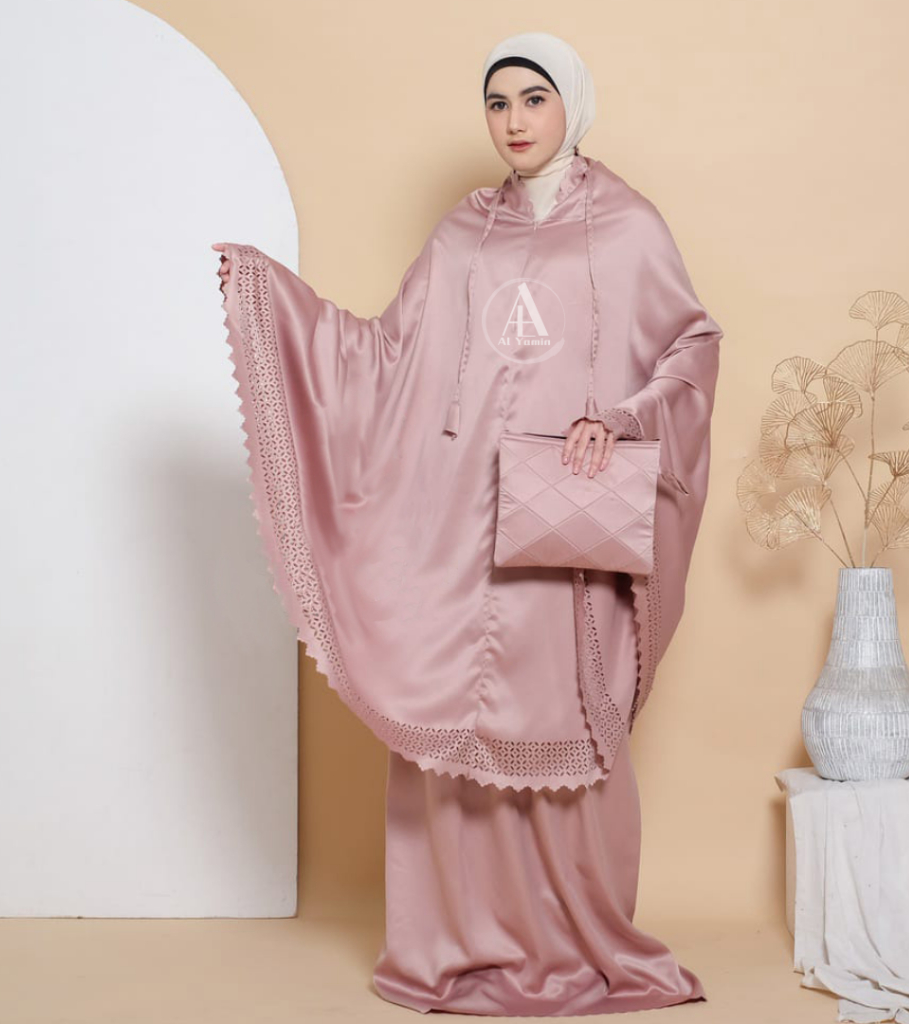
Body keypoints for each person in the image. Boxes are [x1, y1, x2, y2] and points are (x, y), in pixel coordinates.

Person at [213, 30, 722, 1016]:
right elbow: (386, 357)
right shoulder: (461, 233)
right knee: (453, 722)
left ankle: (573, 940)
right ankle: (454, 943)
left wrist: (621, 419)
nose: (514, 121)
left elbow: (690, 348)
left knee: (563, 721)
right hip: (460, 526)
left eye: (534, 99)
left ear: (571, 104)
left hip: (565, 528)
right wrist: (271, 301)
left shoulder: (628, 228)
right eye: (497, 103)